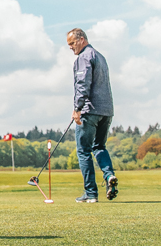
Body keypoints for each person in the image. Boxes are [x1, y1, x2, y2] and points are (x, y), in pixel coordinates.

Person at [67, 28, 118, 203]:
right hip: (107, 111)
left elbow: (83, 83)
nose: (71, 48)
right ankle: (109, 175)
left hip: (90, 111)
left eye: (72, 43)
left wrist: (77, 108)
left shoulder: (83, 57)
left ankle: (90, 193)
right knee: (99, 146)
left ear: (82, 39)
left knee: (83, 151)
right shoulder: (100, 56)